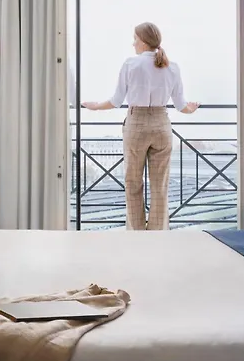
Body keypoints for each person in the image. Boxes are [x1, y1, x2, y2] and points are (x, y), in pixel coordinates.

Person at [83, 22, 199, 230]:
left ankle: (136, 234)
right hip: (162, 125)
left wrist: (95, 106)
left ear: (144, 41)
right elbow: (181, 105)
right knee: (160, 185)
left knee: (133, 182)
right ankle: (157, 234)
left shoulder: (131, 64)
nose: (133, 43)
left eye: (135, 39)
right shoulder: (172, 67)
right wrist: (192, 108)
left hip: (137, 124)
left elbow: (116, 101)